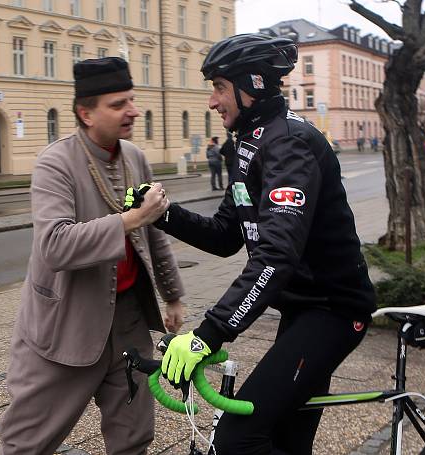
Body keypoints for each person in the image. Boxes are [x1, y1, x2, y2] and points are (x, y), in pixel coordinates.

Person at [152, 34, 376, 454]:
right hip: (301, 308)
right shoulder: (249, 143)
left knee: (239, 438)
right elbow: (225, 235)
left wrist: (209, 334)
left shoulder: (288, 145)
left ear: (251, 85)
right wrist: (163, 214)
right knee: (285, 440)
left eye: (219, 87)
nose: (212, 101)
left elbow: (277, 254)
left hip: (333, 311)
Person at [0, 57, 185, 455]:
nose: (132, 111)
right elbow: (54, 246)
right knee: (28, 441)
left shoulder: (135, 157)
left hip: (129, 321)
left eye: (131, 101)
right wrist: (130, 219)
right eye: (119, 105)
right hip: (67, 322)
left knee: (134, 437)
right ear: (85, 113)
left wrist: (172, 294)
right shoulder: (55, 162)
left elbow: (153, 233)